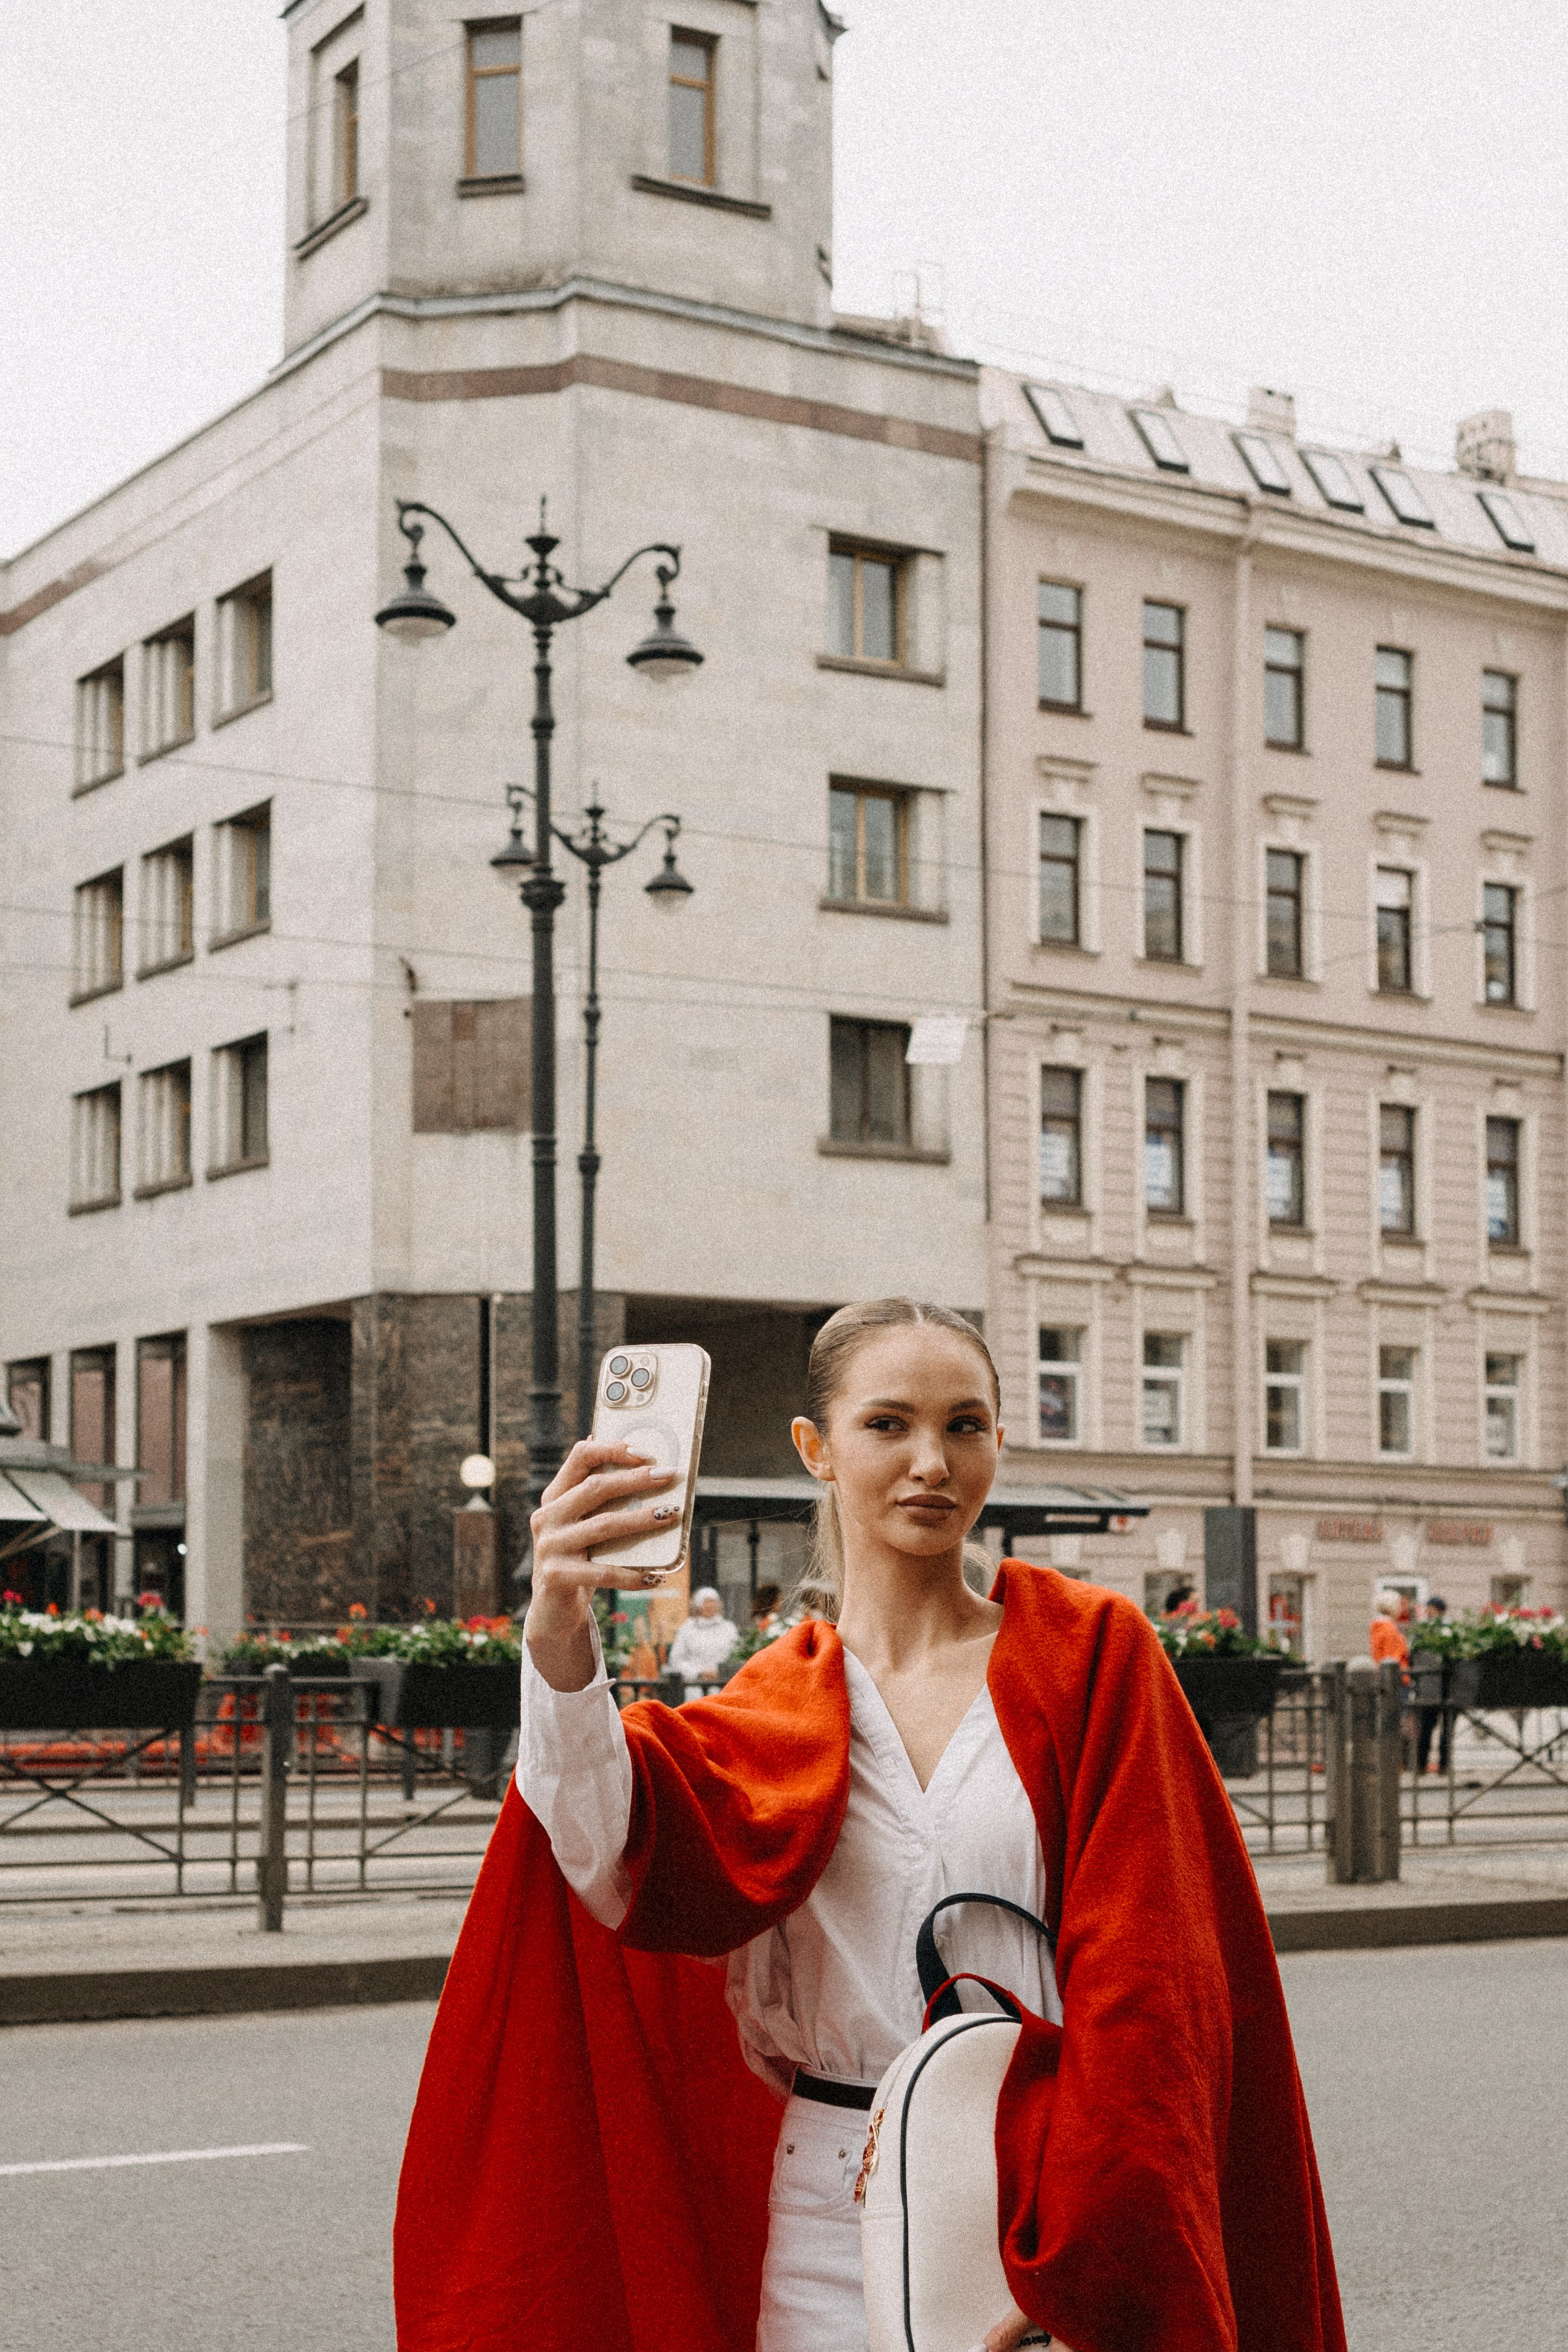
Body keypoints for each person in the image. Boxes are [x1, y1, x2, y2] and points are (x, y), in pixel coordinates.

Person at [396, 1298, 1345, 2352]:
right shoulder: (773, 1697)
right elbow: (603, 1846)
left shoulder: (1094, 1656)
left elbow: (1156, 1991)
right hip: (825, 2208)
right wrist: (558, 1623)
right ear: (818, 1449)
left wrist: (1088, 2264)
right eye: (888, 1424)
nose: (931, 1462)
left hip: (1044, 2189)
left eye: (965, 1426)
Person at [666, 1584, 741, 1697]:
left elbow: (738, 1656)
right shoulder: (687, 1628)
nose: (710, 1606)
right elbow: (676, 1659)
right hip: (695, 1689)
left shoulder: (729, 1628)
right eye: (706, 1602)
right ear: (698, 1605)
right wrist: (699, 1673)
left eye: (713, 1602)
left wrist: (722, 1672)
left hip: (724, 1688)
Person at [1413, 1594, 1452, 1775]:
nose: (1428, 1612)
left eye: (1430, 1608)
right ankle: (1436, 1766)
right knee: (1434, 1729)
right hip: (1439, 1685)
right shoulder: (1447, 1629)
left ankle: (1429, 1766)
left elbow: (1414, 1655)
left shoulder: (1428, 1631)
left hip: (1434, 1685)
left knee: (1433, 1729)